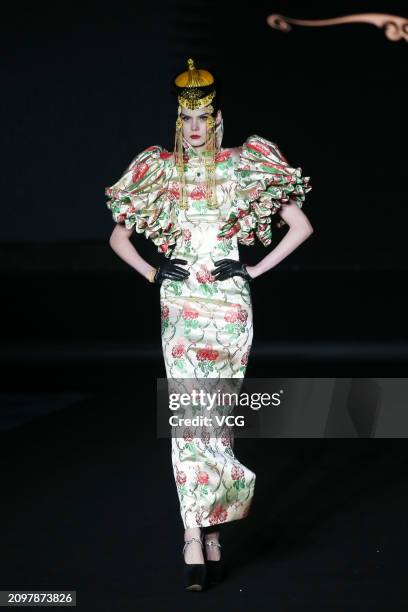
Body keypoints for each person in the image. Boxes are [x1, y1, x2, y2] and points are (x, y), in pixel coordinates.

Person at [105, 58, 313, 591]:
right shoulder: (158, 168)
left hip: (228, 304)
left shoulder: (245, 164)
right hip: (180, 304)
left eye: (203, 117)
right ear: (179, 119)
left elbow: (301, 225)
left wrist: (253, 268)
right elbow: (118, 237)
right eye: (186, 118)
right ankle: (194, 534)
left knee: (215, 422)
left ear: (216, 117)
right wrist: (154, 271)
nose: (194, 128)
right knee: (187, 419)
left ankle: (214, 533)